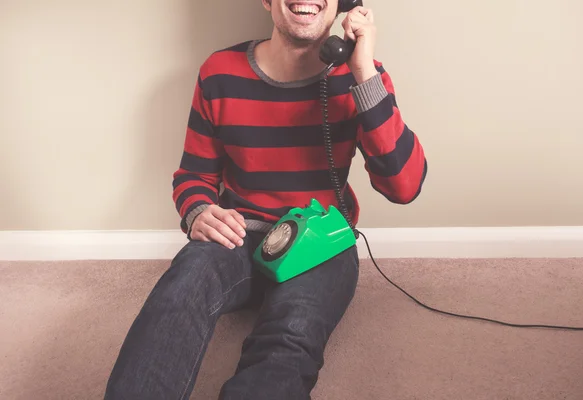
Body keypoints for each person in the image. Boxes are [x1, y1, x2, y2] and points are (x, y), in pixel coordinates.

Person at [104, 0, 427, 398]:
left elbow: (405, 186)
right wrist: (199, 211)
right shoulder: (219, 73)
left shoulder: (363, 78)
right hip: (238, 234)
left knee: (288, 341)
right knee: (176, 296)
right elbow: (194, 174)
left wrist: (362, 70)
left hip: (320, 243)